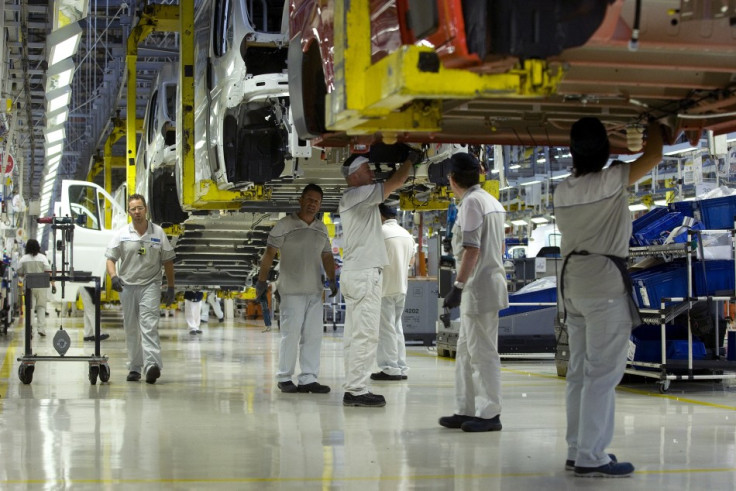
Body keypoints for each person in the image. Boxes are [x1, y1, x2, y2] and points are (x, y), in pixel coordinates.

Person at [554, 117, 664, 477]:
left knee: (579, 373)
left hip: (572, 287)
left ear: (572, 151)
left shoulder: (562, 190)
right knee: (602, 374)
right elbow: (654, 155)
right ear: (604, 149)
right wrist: (659, 124)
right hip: (603, 287)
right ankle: (592, 456)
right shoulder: (613, 178)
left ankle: (577, 449)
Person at [339, 143, 421, 407]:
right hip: (364, 275)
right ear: (353, 176)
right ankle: (357, 390)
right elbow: (396, 181)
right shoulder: (360, 194)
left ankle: (353, 384)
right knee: (366, 333)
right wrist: (411, 159)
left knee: (354, 335)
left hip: (355, 273)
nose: (371, 173)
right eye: (366, 169)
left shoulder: (353, 198)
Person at [438, 152, 508, 432]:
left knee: (482, 353)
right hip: (482, 285)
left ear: (452, 179)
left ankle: (490, 413)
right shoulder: (491, 201)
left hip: (478, 287)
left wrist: (457, 287)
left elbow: (472, 249)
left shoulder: (471, 203)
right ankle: (465, 408)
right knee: (466, 352)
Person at [255, 184, 336, 394]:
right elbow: (270, 253)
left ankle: (309, 378)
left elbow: (327, 255)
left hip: (315, 291)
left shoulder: (321, 228)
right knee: (290, 335)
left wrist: (332, 279)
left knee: (314, 336)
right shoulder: (285, 224)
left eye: (317, 201)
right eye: (309, 199)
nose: (312, 204)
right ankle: (284, 376)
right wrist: (262, 281)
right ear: (301, 200)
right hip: (291, 290)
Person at [105, 194, 175, 384]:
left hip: (150, 285)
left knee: (148, 324)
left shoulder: (158, 233)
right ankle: (135, 367)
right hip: (127, 287)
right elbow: (110, 259)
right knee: (131, 327)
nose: (137, 212)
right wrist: (114, 277)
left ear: (146, 209)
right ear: (129, 212)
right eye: (133, 209)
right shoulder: (122, 234)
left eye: (140, 208)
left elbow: (168, 261)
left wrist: (170, 287)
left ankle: (152, 365)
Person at [371, 203, 415, 381]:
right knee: (397, 327)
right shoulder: (407, 235)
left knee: (386, 328)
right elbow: (411, 262)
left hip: (385, 287)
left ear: (381, 216)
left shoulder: (380, 233)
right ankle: (400, 365)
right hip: (401, 288)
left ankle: (390, 368)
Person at [17, 239, 54, 337]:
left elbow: (19, 272)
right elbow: (48, 271)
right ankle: (41, 329)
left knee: (30, 308)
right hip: (41, 286)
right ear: (38, 247)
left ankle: (30, 329)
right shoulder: (43, 258)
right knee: (41, 307)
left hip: (29, 286)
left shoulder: (23, 259)